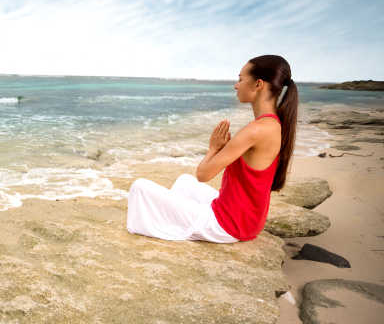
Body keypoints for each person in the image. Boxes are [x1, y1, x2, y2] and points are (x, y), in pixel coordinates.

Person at [126, 55, 299, 242]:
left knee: (139, 188)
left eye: (241, 79)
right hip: (248, 221)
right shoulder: (273, 124)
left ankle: (176, 220)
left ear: (258, 84)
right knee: (184, 181)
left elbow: (203, 174)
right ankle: (178, 215)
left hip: (228, 225)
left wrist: (213, 149)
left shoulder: (255, 130)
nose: (236, 85)